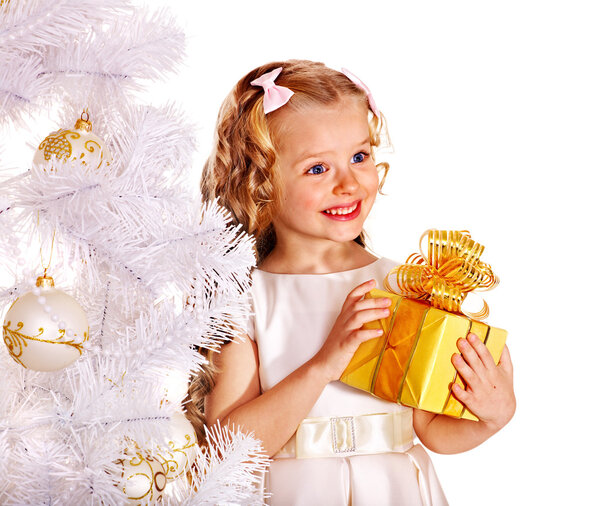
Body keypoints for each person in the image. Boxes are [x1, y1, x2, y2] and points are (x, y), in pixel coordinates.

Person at [194, 59, 516, 505]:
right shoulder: (244, 300)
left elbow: (430, 431)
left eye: (359, 157)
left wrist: (491, 417)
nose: (348, 183)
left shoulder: (404, 284)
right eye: (317, 169)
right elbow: (227, 450)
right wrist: (324, 363)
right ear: (261, 181)